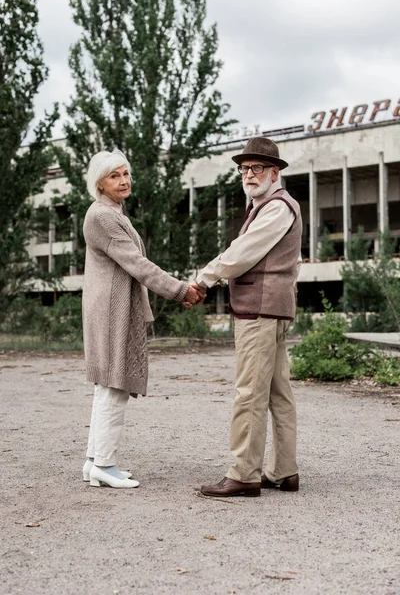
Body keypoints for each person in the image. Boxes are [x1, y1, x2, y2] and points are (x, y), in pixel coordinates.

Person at [82, 149, 201, 489]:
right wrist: (181, 290)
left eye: (126, 174)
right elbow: (137, 264)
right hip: (110, 311)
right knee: (114, 385)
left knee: (107, 386)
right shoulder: (103, 217)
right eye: (114, 176)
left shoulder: (112, 213)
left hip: (110, 307)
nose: (124, 181)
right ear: (100, 183)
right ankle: (104, 463)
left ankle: (94, 462)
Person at [194, 137, 302, 497]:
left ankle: (244, 474)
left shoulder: (276, 207)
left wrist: (204, 277)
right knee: (276, 393)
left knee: (249, 394)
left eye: (257, 168)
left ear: (274, 172)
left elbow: (242, 253)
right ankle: (284, 471)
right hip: (272, 308)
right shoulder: (269, 206)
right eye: (244, 168)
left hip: (260, 310)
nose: (249, 174)